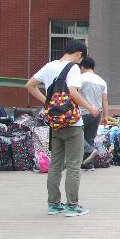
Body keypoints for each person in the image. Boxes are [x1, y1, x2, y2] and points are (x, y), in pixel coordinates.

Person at [25, 41, 99, 216]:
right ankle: (72, 206)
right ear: (79, 54)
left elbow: (29, 85)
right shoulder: (73, 68)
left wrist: (47, 102)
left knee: (55, 165)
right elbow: (73, 92)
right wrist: (90, 108)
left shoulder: (49, 66)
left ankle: (53, 204)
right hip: (72, 124)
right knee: (73, 166)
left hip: (55, 123)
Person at [78, 56, 108, 168]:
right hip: (97, 114)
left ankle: (90, 150)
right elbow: (105, 100)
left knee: (75, 135)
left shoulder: (80, 78)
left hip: (84, 112)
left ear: (83, 67)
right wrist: (105, 116)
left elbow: (76, 94)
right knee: (89, 139)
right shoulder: (102, 81)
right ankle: (88, 165)